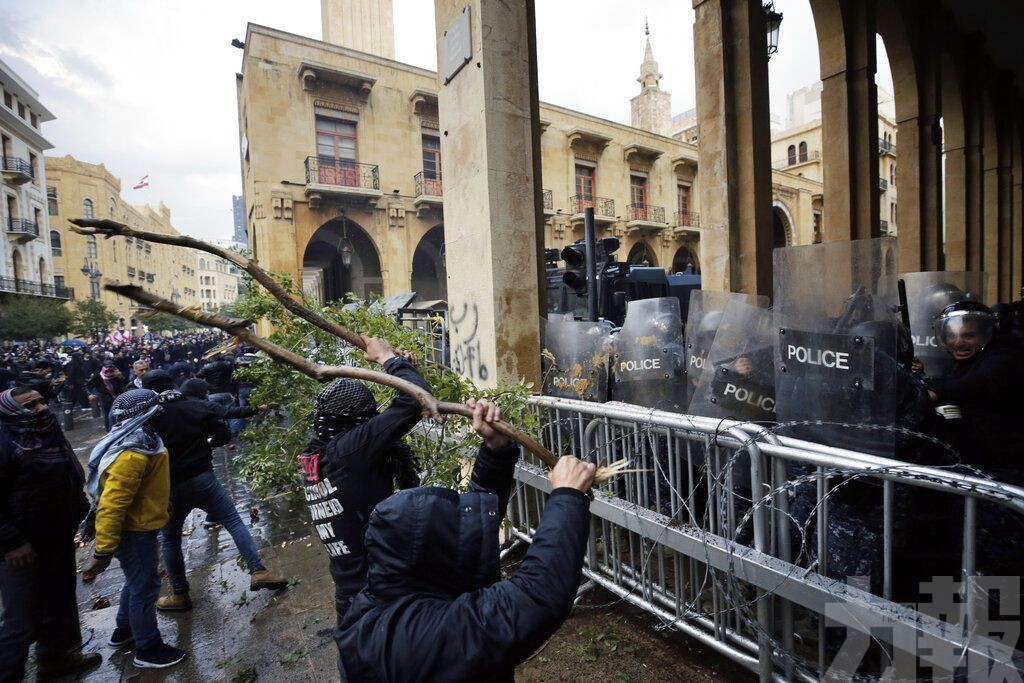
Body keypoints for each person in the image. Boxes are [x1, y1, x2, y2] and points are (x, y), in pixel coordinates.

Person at [336, 399, 596, 681]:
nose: (466, 535)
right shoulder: (421, 635)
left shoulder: (392, 590)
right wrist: (567, 497)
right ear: (434, 556)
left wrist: (496, 449)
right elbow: (536, 595)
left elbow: (468, 534)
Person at [296, 336, 427, 637]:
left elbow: (390, 420)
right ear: (358, 421)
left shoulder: (318, 453)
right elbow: (413, 400)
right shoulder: (350, 452)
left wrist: (402, 365)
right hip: (379, 594)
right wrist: (388, 359)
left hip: (350, 590)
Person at [138, 371, 286, 611]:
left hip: (169, 487)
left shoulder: (147, 417)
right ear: (173, 384)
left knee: (170, 538)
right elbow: (223, 434)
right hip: (203, 478)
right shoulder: (196, 406)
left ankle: (179, 594)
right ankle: (258, 570)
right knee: (233, 521)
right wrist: (205, 443)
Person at [81, 389, 187, 670]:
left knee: (136, 580)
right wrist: (103, 552)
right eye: (156, 408)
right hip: (134, 532)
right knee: (146, 586)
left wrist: (164, 504)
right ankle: (148, 647)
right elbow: (112, 505)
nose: (162, 413)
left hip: (143, 524)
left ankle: (123, 630)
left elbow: (147, 486)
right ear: (144, 414)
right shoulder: (132, 453)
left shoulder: (144, 440)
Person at [0, 387, 99, 681]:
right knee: (21, 621)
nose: (42, 408)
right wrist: (13, 542)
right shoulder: (5, 444)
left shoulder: (50, 432)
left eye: (42, 401)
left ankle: (53, 658)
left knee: (58, 599)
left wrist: (83, 512)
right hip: (21, 544)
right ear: (11, 411)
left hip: (56, 532)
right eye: (32, 405)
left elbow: (68, 475)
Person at [85, 360, 127, 431]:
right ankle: (109, 431)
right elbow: (88, 386)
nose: (109, 370)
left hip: (118, 397)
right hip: (105, 399)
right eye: (107, 367)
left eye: (111, 367)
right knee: (108, 416)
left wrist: (121, 377)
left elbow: (127, 383)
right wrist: (90, 394)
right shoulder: (98, 376)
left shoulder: (118, 374)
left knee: (120, 414)